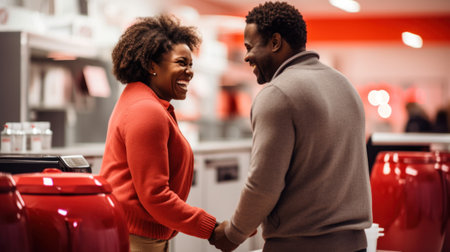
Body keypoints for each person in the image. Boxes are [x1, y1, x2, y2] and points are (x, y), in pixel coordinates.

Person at [209, 2, 372, 252]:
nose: (246, 56)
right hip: (356, 245)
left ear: (275, 42)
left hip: (299, 245)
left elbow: (263, 184)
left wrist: (233, 233)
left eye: (250, 47)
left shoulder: (277, 94)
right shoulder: (345, 85)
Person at [100, 15, 217, 252]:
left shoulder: (140, 100)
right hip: (136, 240)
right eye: (181, 63)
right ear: (152, 65)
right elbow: (155, 196)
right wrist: (213, 230)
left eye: (191, 64)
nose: (189, 72)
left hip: (133, 233)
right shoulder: (146, 109)